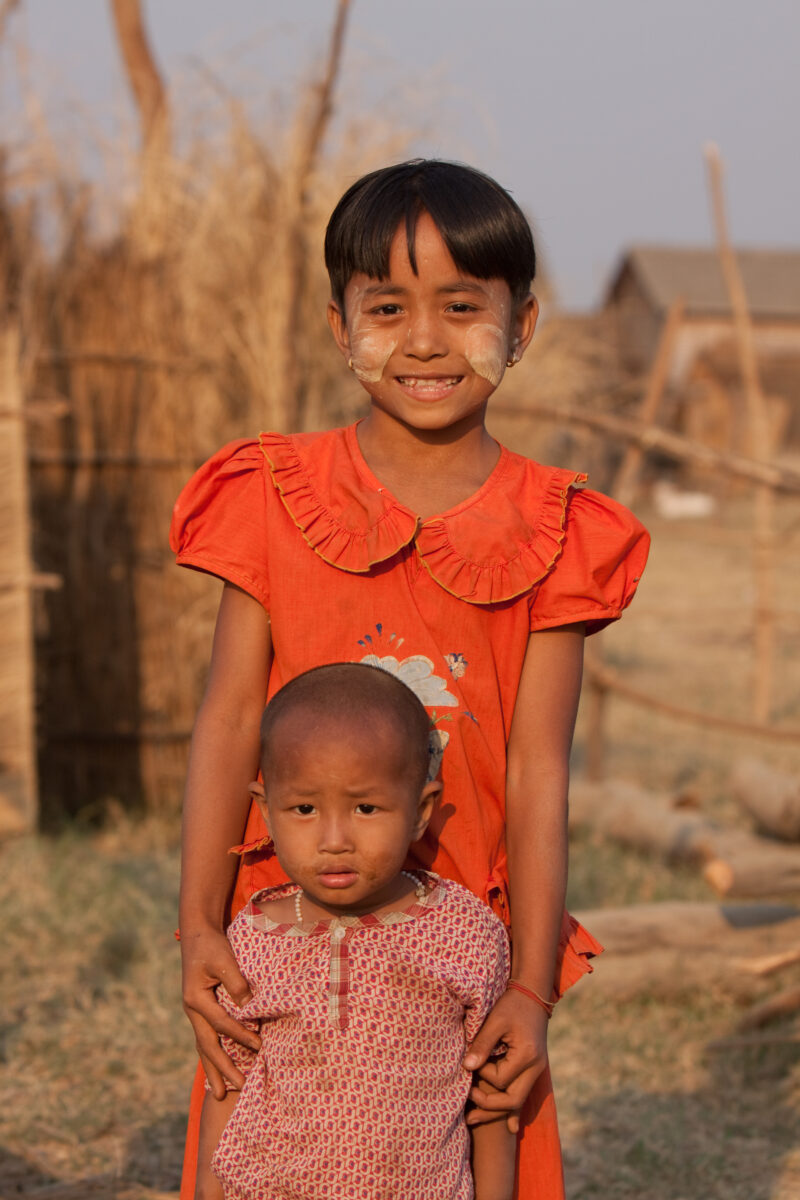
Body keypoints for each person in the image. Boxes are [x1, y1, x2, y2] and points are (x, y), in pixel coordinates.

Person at [171, 158, 650, 1200]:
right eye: (387, 307)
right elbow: (224, 723)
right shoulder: (272, 496)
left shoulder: (557, 530)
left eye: (461, 306)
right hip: (286, 939)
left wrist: (527, 986)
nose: (424, 340)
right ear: (339, 326)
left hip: (464, 969)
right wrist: (200, 925)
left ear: (520, 327)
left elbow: (535, 773)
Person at [195, 662, 515, 1200]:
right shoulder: (250, 940)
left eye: (366, 807)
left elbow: (491, 1097)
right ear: (265, 811)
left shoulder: (463, 932)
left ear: (420, 812)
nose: (335, 839)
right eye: (303, 808)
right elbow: (227, 1084)